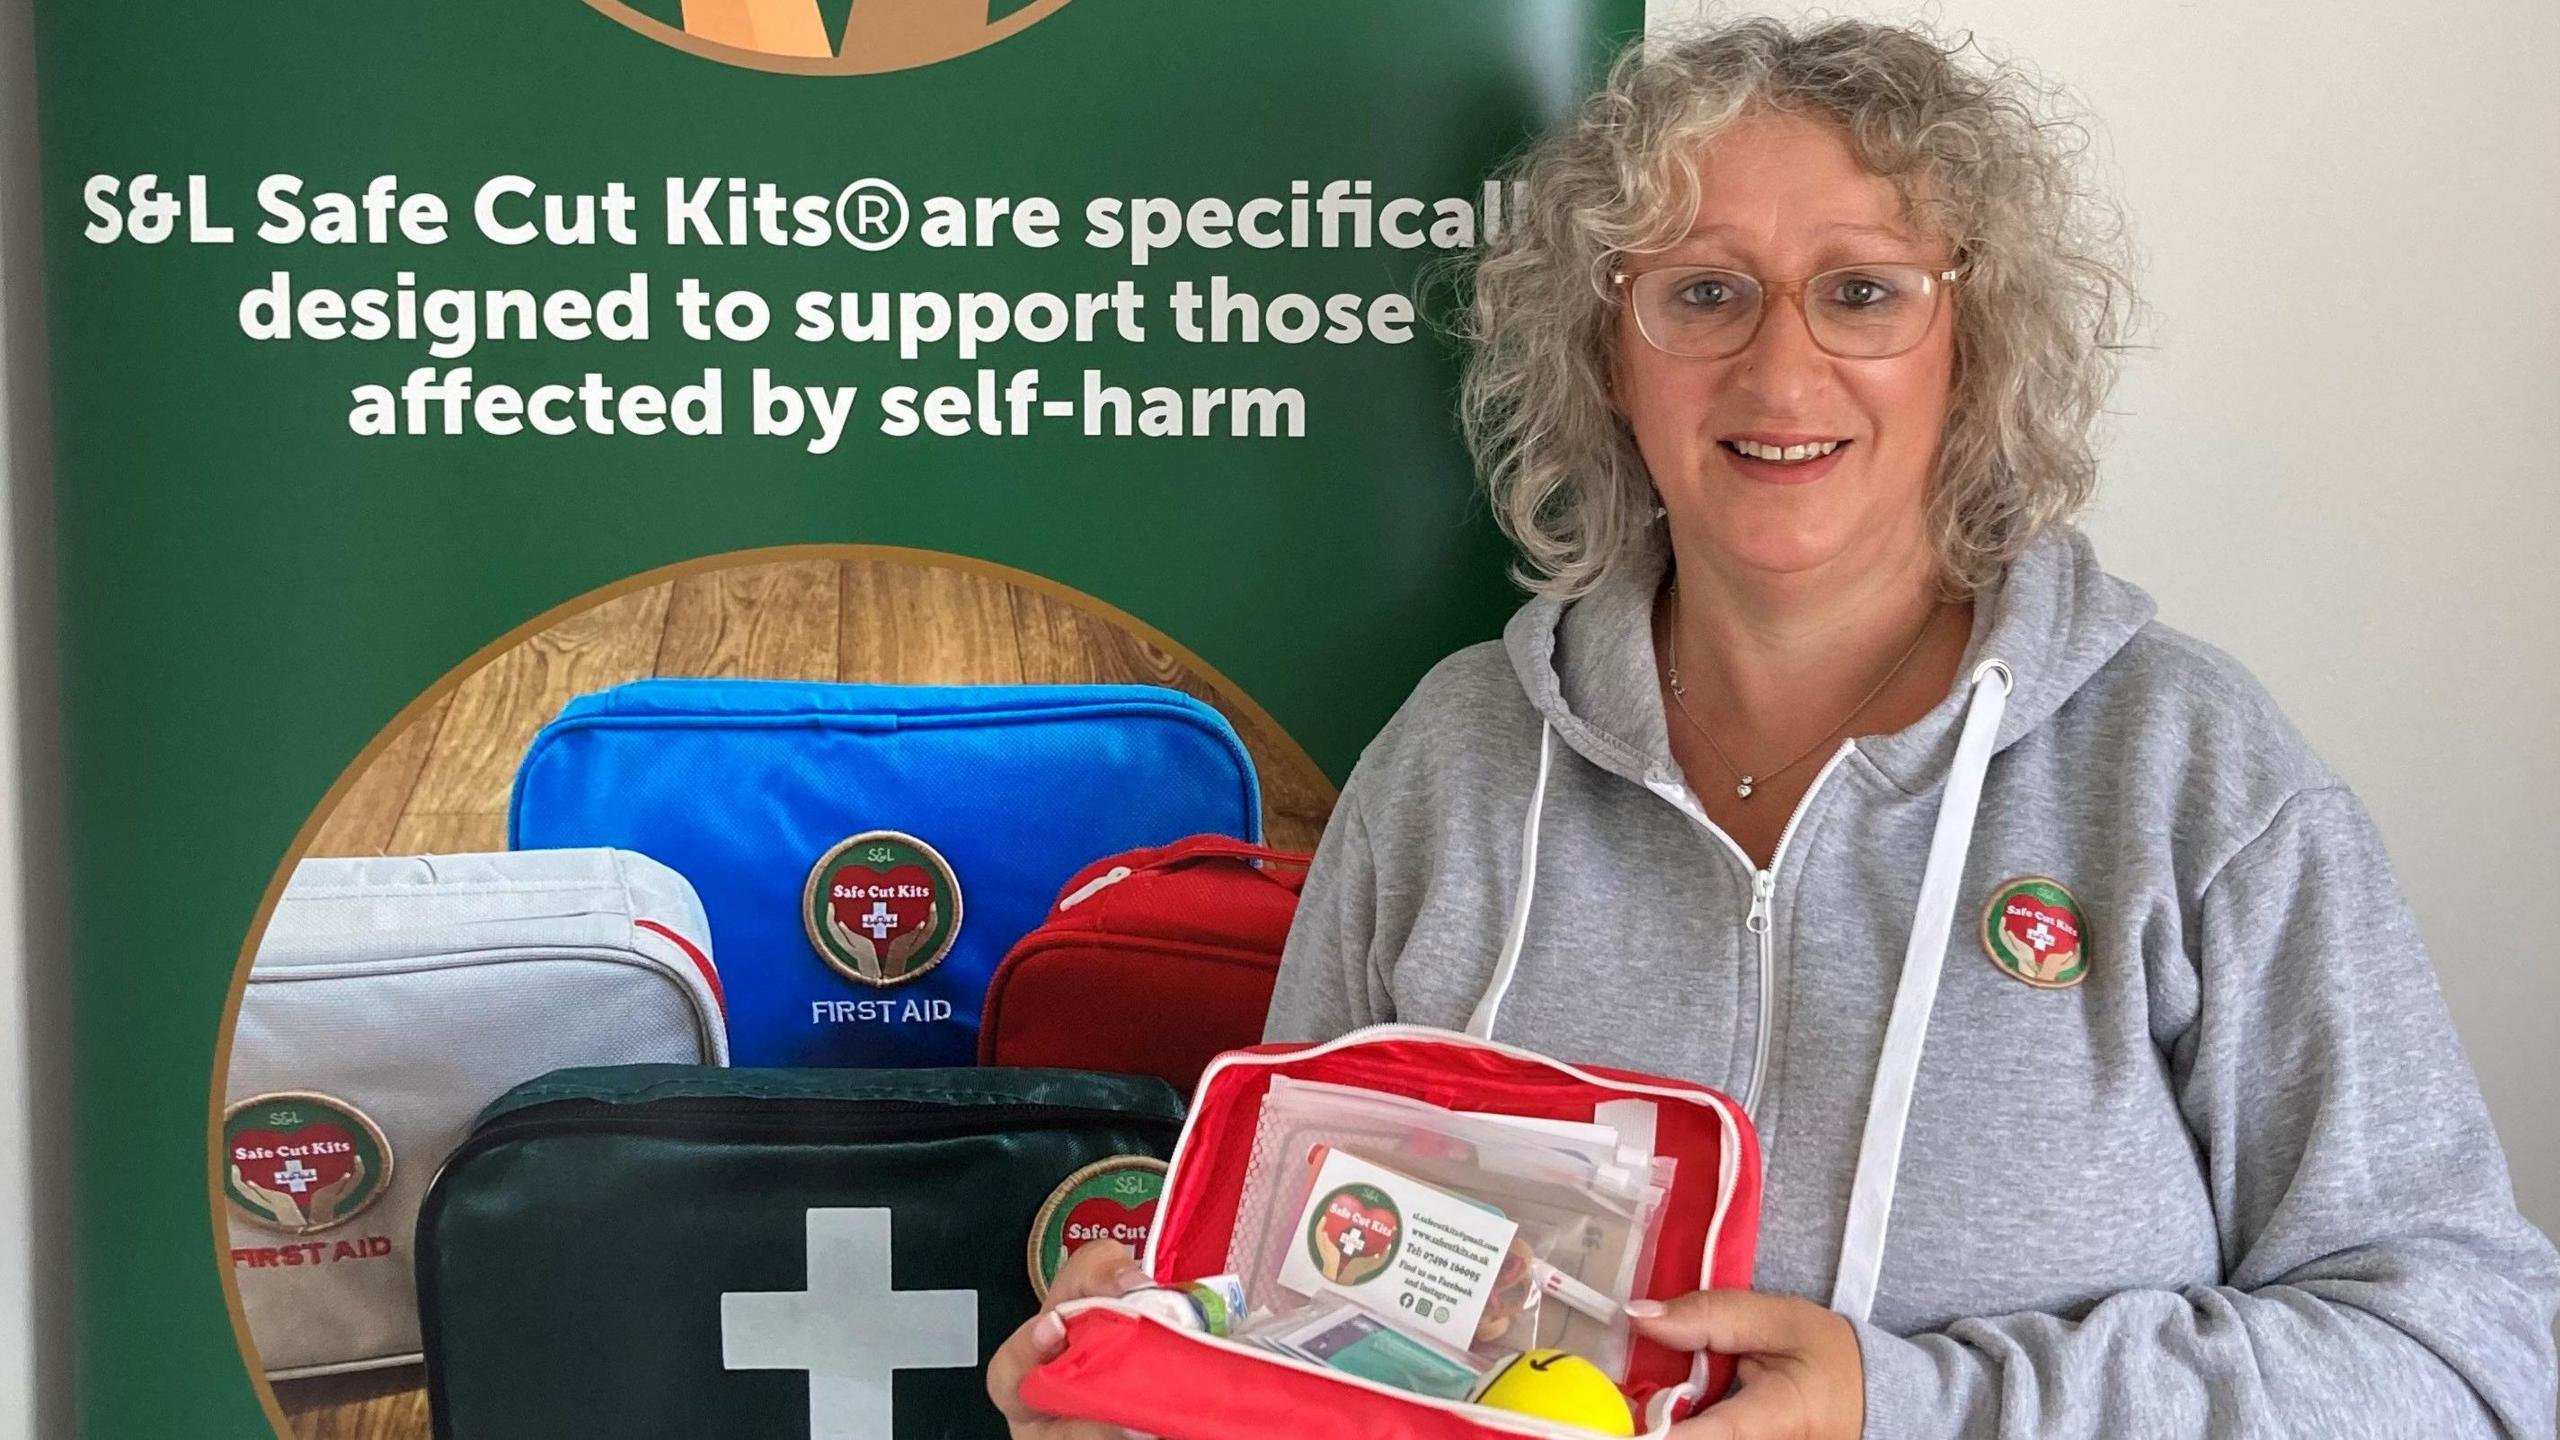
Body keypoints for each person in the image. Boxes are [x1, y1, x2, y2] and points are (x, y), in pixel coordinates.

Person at [990, 18, 2560, 1438]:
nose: (1780, 365)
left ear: (1976, 346)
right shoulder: (1456, 763)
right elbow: (1292, 1309)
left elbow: (2470, 1357)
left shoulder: (2184, 775)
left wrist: (1910, 1405)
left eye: (1864, 291)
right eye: (1704, 293)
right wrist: (1153, 1375)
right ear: (1610, 357)